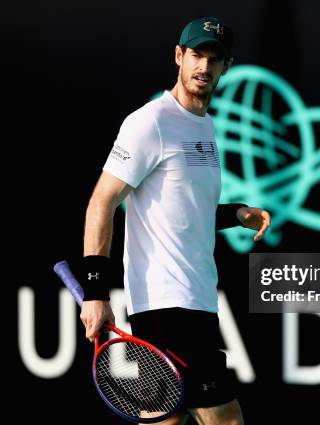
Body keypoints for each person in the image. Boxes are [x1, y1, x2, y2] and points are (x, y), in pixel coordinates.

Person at [76, 16, 271, 425]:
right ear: (179, 57)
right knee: (226, 419)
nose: (204, 67)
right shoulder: (150, 122)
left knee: (165, 418)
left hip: (195, 299)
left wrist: (235, 215)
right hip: (168, 303)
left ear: (226, 67)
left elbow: (182, 210)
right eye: (197, 55)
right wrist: (95, 290)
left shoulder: (207, 126)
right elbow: (102, 203)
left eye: (214, 59)